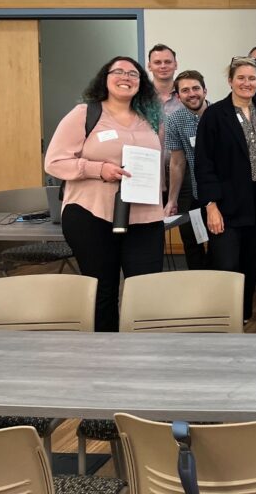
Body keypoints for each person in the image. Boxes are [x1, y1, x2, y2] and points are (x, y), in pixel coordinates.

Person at [44, 56, 165, 331]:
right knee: (103, 291)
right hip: (91, 214)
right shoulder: (84, 114)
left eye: (133, 74)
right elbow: (54, 162)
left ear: (141, 82)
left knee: (145, 291)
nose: (126, 77)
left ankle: (143, 350)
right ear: (105, 78)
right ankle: (106, 350)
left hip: (145, 216)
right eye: (118, 71)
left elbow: (157, 165)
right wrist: (98, 169)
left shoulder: (151, 118)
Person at [195, 56, 256, 321]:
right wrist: (211, 206)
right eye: (241, 77)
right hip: (225, 204)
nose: (247, 83)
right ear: (230, 80)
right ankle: (221, 317)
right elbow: (204, 163)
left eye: (252, 78)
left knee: (251, 262)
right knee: (226, 264)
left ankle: (244, 316)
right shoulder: (214, 115)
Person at [163, 69, 210, 270]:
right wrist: (172, 200)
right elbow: (177, 162)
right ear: (178, 96)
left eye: (195, 88)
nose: (191, 94)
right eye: (185, 90)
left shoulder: (221, 114)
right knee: (192, 242)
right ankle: (198, 282)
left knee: (220, 243)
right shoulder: (174, 120)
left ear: (205, 91)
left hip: (223, 193)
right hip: (192, 192)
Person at [147, 43, 181, 115]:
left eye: (168, 62)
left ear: (175, 65)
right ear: (149, 66)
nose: (163, 66)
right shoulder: (140, 95)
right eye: (157, 62)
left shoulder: (187, 94)